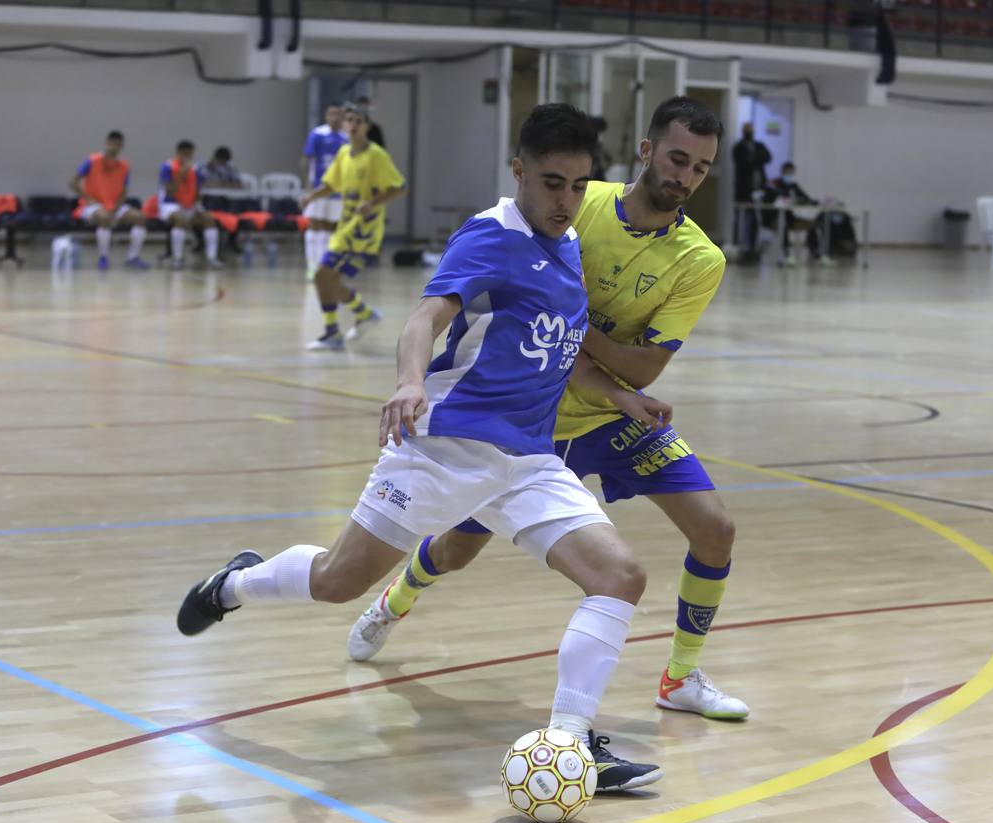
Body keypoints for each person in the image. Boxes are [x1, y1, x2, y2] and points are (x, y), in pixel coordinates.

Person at [177, 103, 667, 791]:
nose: (567, 200)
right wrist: (410, 380)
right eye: (553, 183)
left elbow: (556, 348)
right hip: (444, 448)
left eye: (580, 186)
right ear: (520, 170)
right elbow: (426, 317)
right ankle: (232, 583)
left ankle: (571, 743)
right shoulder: (490, 236)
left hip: (526, 461)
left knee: (620, 577)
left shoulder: (568, 247)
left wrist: (619, 395)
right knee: (337, 582)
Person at [347, 96, 749, 722]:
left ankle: (680, 677)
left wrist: (567, 319)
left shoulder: (701, 258)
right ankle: (394, 600)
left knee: (715, 529)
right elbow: (494, 277)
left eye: (701, 168)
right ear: (646, 152)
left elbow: (643, 368)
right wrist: (562, 319)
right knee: (455, 550)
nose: (685, 177)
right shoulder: (577, 202)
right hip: (528, 419)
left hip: (616, 411)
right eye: (677, 159)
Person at [301, 106, 406, 350]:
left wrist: (372, 203)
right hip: (345, 229)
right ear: (345, 125)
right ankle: (363, 315)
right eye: (350, 120)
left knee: (322, 276)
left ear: (367, 126)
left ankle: (334, 332)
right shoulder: (344, 153)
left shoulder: (376, 155)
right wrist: (311, 196)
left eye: (358, 120)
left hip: (364, 234)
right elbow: (330, 184)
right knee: (328, 281)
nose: (353, 124)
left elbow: (398, 187)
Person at [69, 130, 150, 271]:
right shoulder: (92, 160)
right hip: (92, 205)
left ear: (121, 146)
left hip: (114, 205)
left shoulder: (125, 165)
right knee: (104, 217)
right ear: (106, 143)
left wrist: (117, 207)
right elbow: (72, 182)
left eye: (118, 144)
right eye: (112, 143)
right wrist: (88, 199)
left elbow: (124, 192)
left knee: (140, 217)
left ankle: (132, 257)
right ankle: (103, 257)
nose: (114, 147)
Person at [157, 140, 223, 269]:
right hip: (171, 205)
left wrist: (198, 202)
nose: (187, 158)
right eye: (184, 154)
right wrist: (181, 174)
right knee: (180, 219)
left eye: (190, 154)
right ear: (178, 154)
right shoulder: (167, 167)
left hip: (190, 205)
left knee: (209, 219)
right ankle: (178, 258)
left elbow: (198, 192)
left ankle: (211, 258)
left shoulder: (196, 169)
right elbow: (169, 192)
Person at [302, 104, 349, 278]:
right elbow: (308, 160)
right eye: (331, 114)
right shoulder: (317, 134)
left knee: (331, 228)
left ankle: (325, 266)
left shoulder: (346, 138)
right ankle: (311, 267)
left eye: (337, 114)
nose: (334, 117)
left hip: (339, 191)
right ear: (326, 115)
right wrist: (308, 185)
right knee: (315, 226)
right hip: (319, 188)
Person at [770, 162, 824, 267]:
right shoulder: (775, 184)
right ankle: (785, 254)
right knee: (783, 226)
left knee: (814, 225)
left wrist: (815, 202)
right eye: (787, 172)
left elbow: (806, 198)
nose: (789, 175)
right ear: (783, 171)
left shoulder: (794, 186)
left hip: (791, 217)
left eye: (791, 173)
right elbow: (773, 199)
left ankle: (816, 251)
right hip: (777, 217)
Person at [731, 122, 771, 260]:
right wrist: (755, 158)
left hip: (759, 190)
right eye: (748, 130)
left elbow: (767, 157)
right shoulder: (739, 147)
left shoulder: (759, 145)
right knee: (740, 219)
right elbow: (744, 163)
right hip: (743, 190)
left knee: (755, 220)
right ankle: (737, 246)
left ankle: (753, 247)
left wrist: (754, 158)